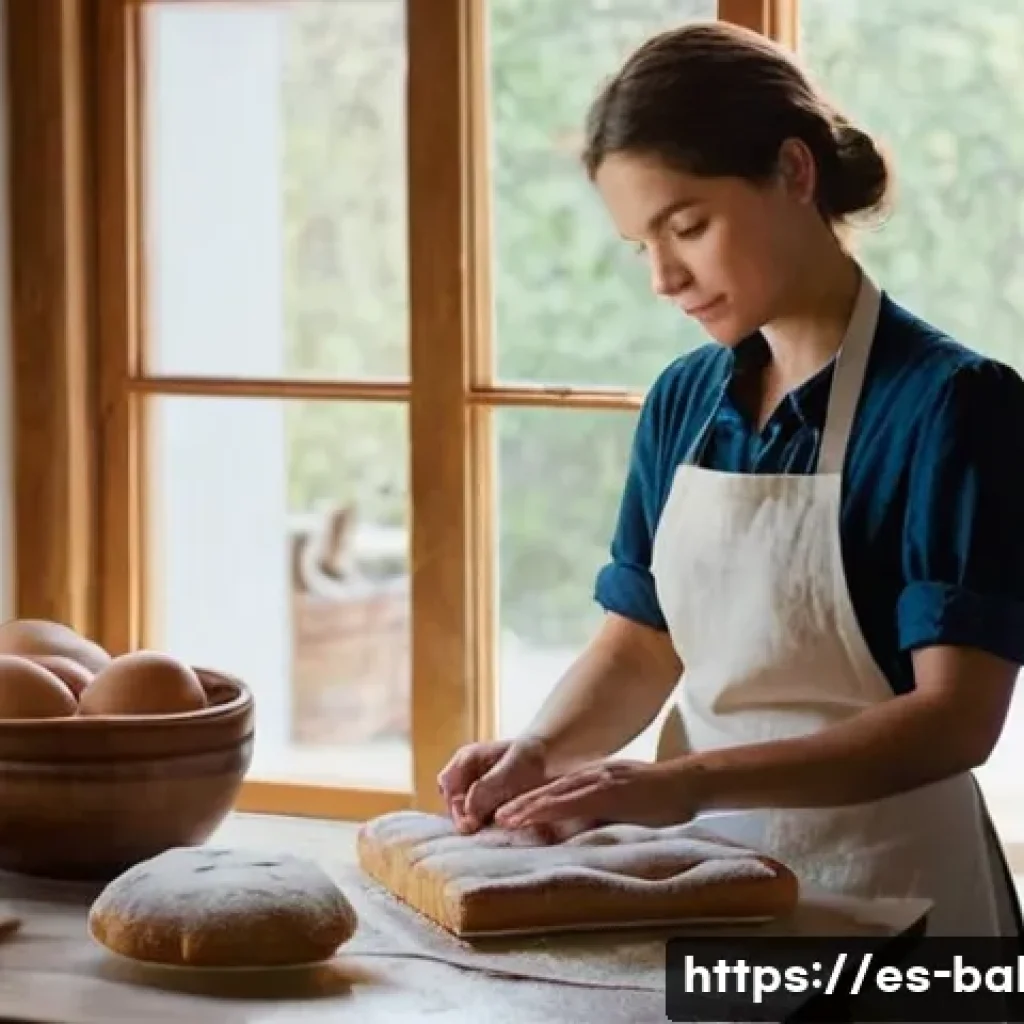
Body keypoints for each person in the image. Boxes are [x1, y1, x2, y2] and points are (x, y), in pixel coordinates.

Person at [437, 21, 1024, 937]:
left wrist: (684, 783)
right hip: (707, 878)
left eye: (689, 225)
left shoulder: (954, 406)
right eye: (643, 246)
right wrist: (543, 753)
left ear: (794, 172)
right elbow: (640, 645)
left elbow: (955, 720)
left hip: (899, 893)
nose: (666, 277)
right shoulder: (684, 399)